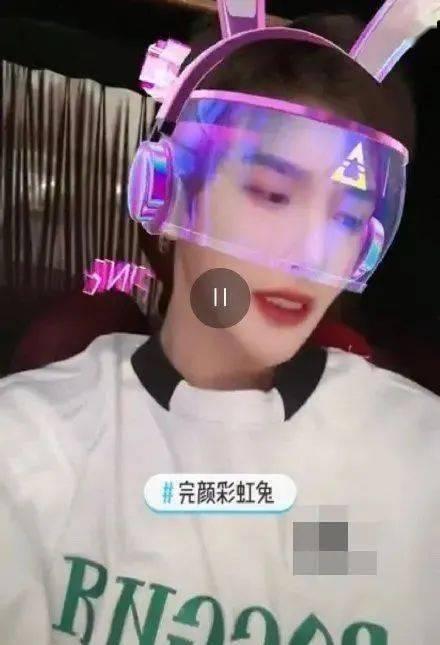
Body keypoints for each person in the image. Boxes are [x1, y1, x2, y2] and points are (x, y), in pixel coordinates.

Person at [0, 4, 439, 645]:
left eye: (347, 217)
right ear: (165, 186)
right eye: (271, 193)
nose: (313, 252)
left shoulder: (420, 460)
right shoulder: (30, 448)